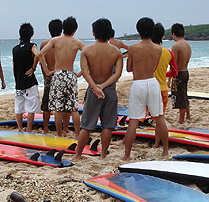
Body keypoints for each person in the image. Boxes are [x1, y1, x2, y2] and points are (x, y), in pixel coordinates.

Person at [74, 18, 123, 160]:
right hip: (109, 90)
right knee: (107, 125)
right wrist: (103, 86)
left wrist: (96, 87)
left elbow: (84, 71)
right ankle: (103, 155)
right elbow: (118, 73)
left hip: (93, 89)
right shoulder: (116, 52)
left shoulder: (87, 50)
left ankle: (78, 155)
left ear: (94, 32)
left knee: (87, 125)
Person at [121, 17, 168, 161]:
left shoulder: (133, 48)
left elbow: (129, 68)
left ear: (138, 31)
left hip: (138, 83)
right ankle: (165, 151)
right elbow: (154, 67)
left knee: (134, 121)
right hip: (152, 82)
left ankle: (127, 155)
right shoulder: (158, 49)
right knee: (159, 118)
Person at [39, 16, 85, 138]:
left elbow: (40, 54)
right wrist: (81, 72)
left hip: (58, 75)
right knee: (74, 108)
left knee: (58, 108)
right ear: (75, 30)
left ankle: (59, 135)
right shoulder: (77, 42)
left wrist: (47, 71)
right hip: (70, 74)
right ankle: (77, 134)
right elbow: (89, 56)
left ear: (63, 28)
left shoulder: (55, 41)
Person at [12, 23, 41, 133]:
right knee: (31, 108)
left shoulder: (15, 49)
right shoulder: (32, 46)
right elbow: (37, 55)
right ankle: (28, 130)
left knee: (19, 108)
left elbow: (14, 65)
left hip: (19, 82)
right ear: (31, 34)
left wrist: (16, 79)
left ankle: (20, 129)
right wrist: (33, 68)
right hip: (30, 81)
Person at [39, 19, 63, 134]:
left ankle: (45, 128)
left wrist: (45, 74)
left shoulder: (44, 44)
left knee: (46, 105)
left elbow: (41, 61)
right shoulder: (62, 43)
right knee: (61, 105)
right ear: (61, 30)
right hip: (60, 75)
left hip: (49, 75)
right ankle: (63, 128)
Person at [169, 23, 191, 124]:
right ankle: (188, 116)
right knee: (184, 94)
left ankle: (181, 119)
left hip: (179, 73)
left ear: (173, 34)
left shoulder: (176, 46)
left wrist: (169, 78)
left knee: (180, 96)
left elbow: (174, 64)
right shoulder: (187, 44)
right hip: (186, 71)